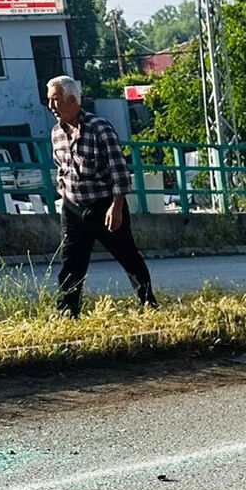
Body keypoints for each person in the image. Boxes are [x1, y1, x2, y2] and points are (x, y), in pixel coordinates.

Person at [46, 75, 157, 317]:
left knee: (127, 256)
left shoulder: (99, 128)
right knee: (71, 262)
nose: (51, 107)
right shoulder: (56, 133)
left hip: (104, 205)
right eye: (49, 101)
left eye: (56, 100)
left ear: (73, 100)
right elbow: (60, 168)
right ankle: (67, 312)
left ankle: (148, 304)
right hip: (73, 207)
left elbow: (119, 170)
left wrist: (116, 207)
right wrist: (63, 194)